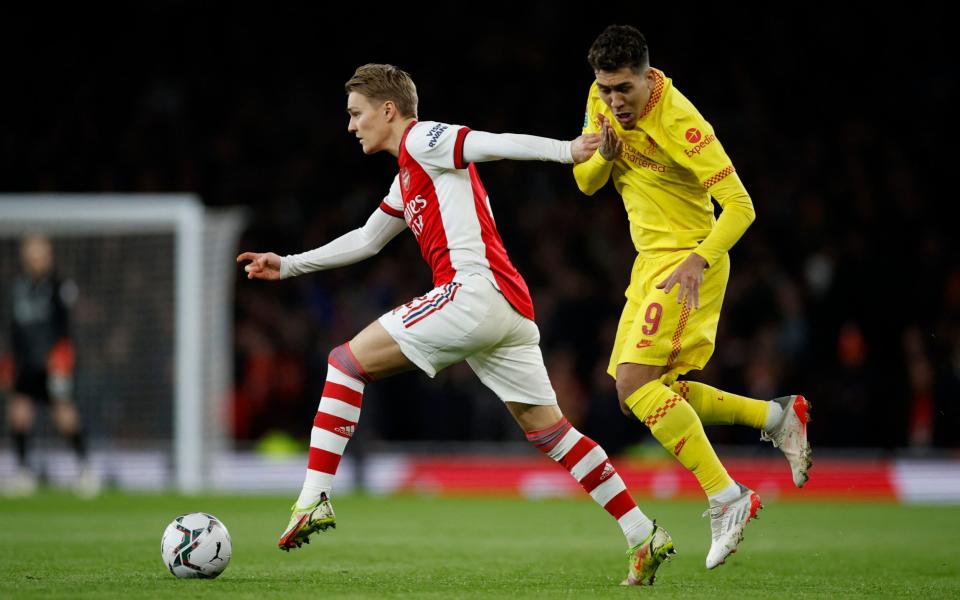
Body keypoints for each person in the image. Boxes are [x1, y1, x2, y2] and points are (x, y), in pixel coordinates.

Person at [238, 63, 675, 586]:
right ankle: (642, 533)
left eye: (356, 114)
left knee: (344, 363)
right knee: (553, 433)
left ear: (388, 110)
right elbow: (366, 239)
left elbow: (489, 142)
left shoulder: (423, 137)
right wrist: (287, 264)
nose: (351, 126)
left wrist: (568, 150)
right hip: (509, 309)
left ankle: (313, 499)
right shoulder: (409, 172)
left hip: (473, 292)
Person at [572, 25, 811, 569]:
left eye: (623, 89)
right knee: (648, 391)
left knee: (636, 384)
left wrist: (698, 260)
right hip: (647, 261)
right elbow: (586, 182)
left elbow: (742, 206)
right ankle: (777, 418)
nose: (613, 101)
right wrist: (605, 155)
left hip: (687, 260)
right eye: (606, 88)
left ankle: (727, 496)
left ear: (647, 76)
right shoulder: (598, 101)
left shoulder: (681, 120)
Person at [3, 234, 99, 497]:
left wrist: (62, 358)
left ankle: (85, 469)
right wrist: (11, 361)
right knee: (19, 414)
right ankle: (23, 473)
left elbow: (66, 327)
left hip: (55, 361)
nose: (35, 258)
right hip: (26, 363)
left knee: (64, 414)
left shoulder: (59, 286)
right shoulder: (18, 288)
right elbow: (13, 328)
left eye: (40, 253)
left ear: (48, 256)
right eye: (31, 253)